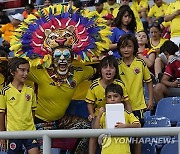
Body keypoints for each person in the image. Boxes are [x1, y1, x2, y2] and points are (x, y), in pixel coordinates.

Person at [10, 4, 111, 153]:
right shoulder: (39, 71)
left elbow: (98, 69)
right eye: (58, 56)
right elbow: (15, 69)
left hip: (60, 120)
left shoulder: (79, 71)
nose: (62, 59)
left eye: (66, 56)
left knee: (86, 129)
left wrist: (110, 60)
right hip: (39, 122)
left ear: (72, 58)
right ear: (51, 58)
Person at [86, 56, 131, 154]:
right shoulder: (94, 85)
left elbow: (126, 102)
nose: (108, 70)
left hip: (117, 115)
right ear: (100, 71)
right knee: (94, 133)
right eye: (105, 67)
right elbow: (89, 103)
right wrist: (92, 114)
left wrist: (129, 114)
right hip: (100, 116)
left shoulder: (120, 84)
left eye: (111, 67)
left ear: (116, 71)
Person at [117, 34, 153, 154]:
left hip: (139, 105)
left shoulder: (140, 63)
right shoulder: (117, 65)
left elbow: (149, 82)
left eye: (129, 47)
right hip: (121, 106)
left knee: (138, 136)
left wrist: (150, 99)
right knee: (123, 136)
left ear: (134, 48)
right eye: (123, 47)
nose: (126, 50)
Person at [0, 57, 39, 154]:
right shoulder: (5, 91)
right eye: (22, 70)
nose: (26, 74)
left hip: (30, 132)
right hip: (13, 133)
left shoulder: (30, 90)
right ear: (13, 72)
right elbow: (1, 114)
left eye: (27, 71)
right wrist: (2, 135)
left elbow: (32, 112)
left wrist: (30, 126)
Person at [94, 83, 141, 154]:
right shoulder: (103, 114)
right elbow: (96, 130)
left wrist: (125, 126)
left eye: (115, 96)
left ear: (121, 98)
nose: (112, 99)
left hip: (124, 151)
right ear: (106, 99)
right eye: (109, 97)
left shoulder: (126, 113)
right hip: (106, 152)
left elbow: (138, 125)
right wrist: (98, 116)